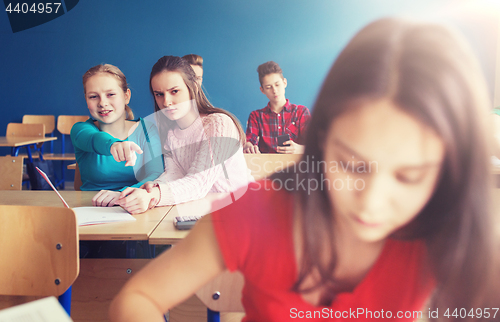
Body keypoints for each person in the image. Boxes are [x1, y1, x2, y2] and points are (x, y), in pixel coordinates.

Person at [109, 18, 500, 321]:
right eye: (352, 165)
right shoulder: (255, 215)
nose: (372, 204)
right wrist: (147, 189)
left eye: (410, 177)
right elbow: (137, 297)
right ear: (322, 140)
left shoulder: (456, 229)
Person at [117, 56, 251, 214]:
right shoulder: (170, 132)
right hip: (202, 211)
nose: (166, 102)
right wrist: (152, 189)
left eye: (174, 91)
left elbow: (198, 183)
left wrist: (155, 195)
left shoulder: (219, 124)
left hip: (242, 211)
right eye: (159, 94)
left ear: (192, 86)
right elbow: (174, 174)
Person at [71, 64, 164, 207]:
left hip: (134, 208)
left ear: (126, 96)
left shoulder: (147, 129)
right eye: (93, 96)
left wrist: (120, 195)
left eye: (110, 94)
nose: (102, 103)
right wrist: (114, 145)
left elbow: (155, 174)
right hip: (90, 209)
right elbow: (94, 139)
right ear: (86, 99)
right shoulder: (80, 129)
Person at [244, 61, 311, 154]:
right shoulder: (256, 116)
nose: (274, 90)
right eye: (268, 87)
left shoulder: (301, 112)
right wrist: (248, 147)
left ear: (284, 83)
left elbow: (314, 143)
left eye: (277, 84)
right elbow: (249, 141)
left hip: (296, 166)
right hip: (266, 166)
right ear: (262, 90)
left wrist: (300, 149)